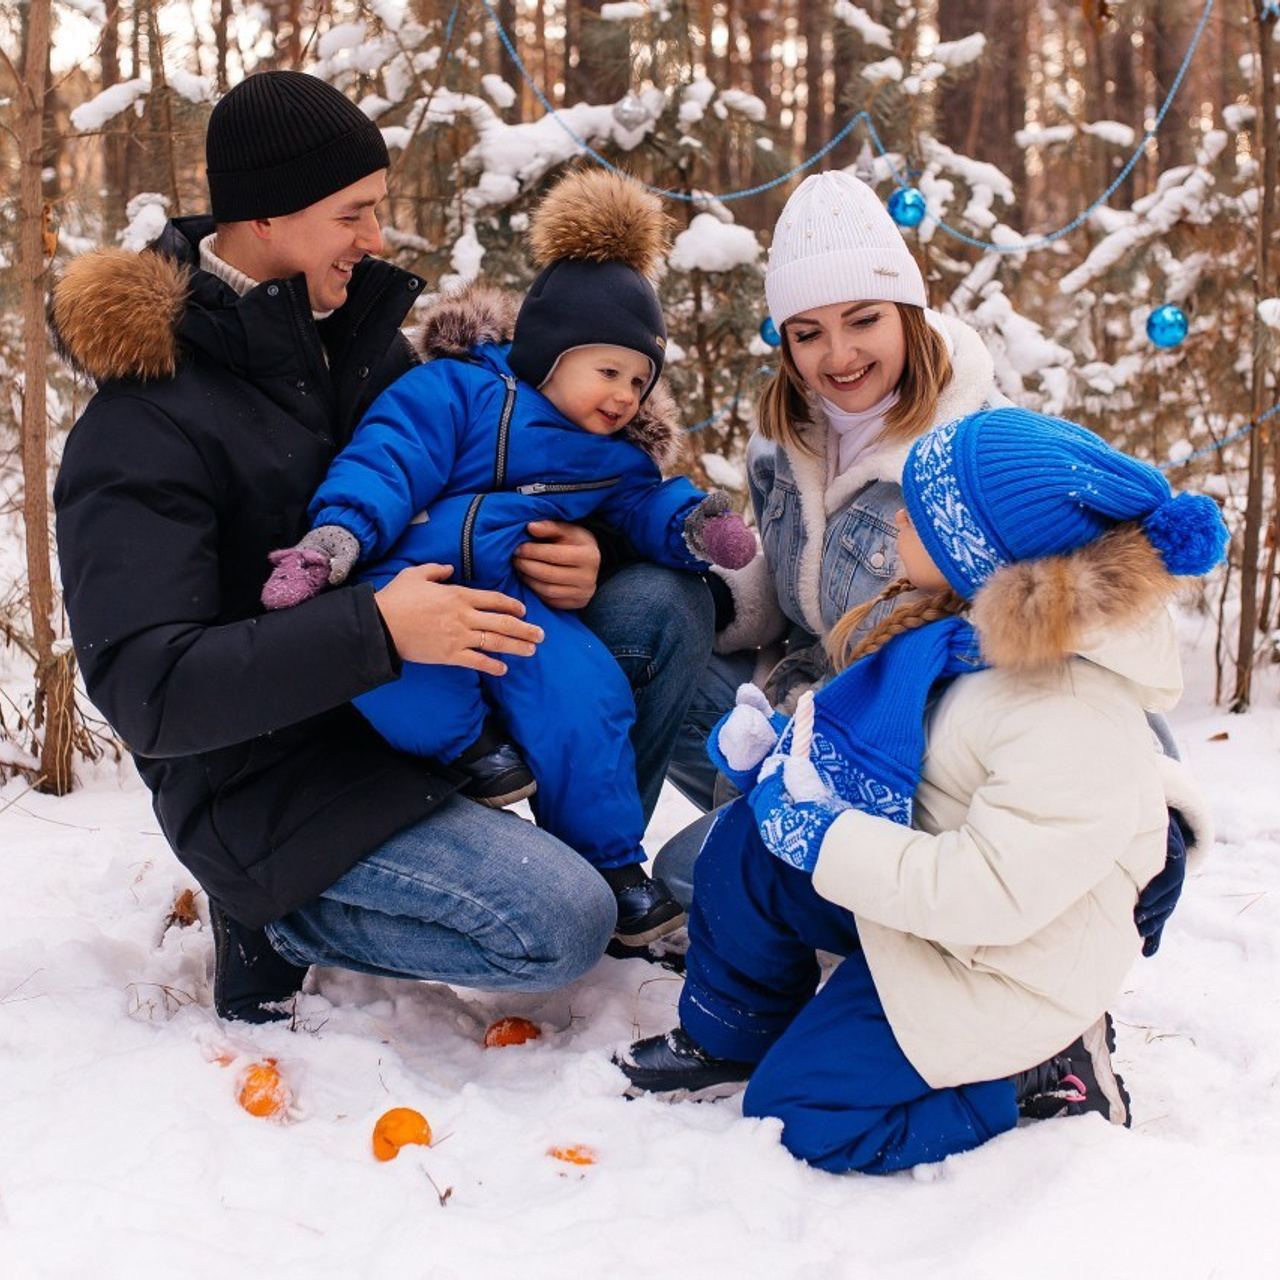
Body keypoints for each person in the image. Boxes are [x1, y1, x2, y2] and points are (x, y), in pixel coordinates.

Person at [50, 70, 713, 1025]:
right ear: (269, 217)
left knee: (659, 604)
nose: (376, 240)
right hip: (271, 783)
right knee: (557, 926)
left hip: (420, 707)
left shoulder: (357, 347)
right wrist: (380, 630)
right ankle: (277, 921)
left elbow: (515, 467)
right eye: (354, 213)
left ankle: (598, 851)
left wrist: (587, 551)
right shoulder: (145, 418)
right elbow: (148, 691)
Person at [616, 406, 1225, 1174]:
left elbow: (989, 893)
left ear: (981, 551)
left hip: (1003, 963)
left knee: (802, 1116)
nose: (899, 519)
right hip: (933, 898)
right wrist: (793, 766)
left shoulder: (1066, 708)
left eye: (924, 511)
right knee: (747, 843)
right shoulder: (959, 629)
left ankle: (1032, 1076)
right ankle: (731, 1034)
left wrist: (824, 833)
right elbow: (918, 759)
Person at [653, 169, 1189, 955]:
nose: (837, 354)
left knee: (717, 879)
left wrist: (1154, 800)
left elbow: (1100, 608)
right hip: (813, 716)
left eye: (862, 319)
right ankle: (819, 910)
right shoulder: (782, 437)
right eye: (808, 332)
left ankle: (941, 932)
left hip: (934, 756)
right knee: (663, 688)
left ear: (907, 310)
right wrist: (712, 583)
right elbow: (796, 592)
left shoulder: (980, 444)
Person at [259, 168, 753, 947]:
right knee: (393, 670)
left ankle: (611, 868)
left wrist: (696, 526)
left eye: (639, 379)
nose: (625, 396)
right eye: (608, 370)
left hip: (515, 608)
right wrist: (335, 542)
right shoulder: (457, 392)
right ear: (550, 353)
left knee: (589, 698)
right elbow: (388, 459)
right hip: (409, 587)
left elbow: (645, 504)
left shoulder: (609, 453)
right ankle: (471, 752)